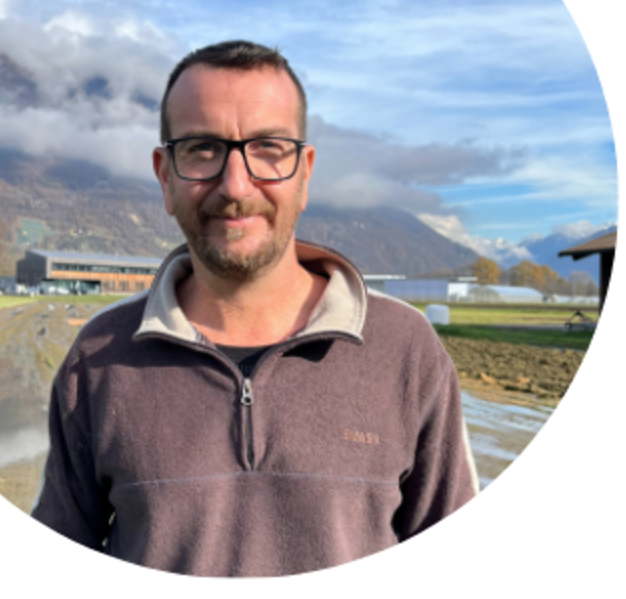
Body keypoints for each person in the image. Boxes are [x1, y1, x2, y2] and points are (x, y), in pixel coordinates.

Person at [29, 41, 479, 578]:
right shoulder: (98, 357)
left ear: (305, 172)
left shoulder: (404, 348)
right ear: (165, 176)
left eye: (268, 147)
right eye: (201, 148)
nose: (235, 185)